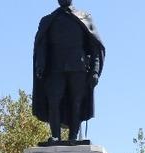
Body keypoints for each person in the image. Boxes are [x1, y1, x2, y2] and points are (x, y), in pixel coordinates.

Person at [32, 0, 105, 144]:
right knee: (53, 101)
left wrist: (95, 71)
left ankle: (73, 137)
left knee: (76, 102)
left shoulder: (84, 17)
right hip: (54, 68)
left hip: (78, 67)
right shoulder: (48, 20)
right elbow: (42, 45)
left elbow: (95, 46)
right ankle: (55, 137)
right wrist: (40, 64)